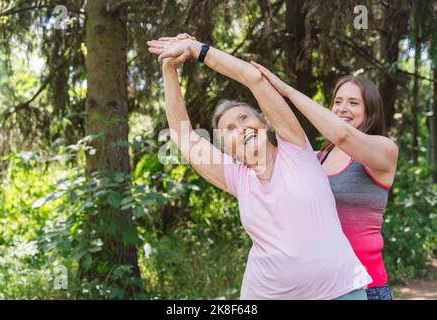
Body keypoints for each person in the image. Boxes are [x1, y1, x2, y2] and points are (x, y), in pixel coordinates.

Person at [147, 34, 372, 299]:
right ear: (226, 147)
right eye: (229, 129)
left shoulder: (295, 148)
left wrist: (198, 50)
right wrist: (168, 67)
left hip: (340, 290)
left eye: (244, 118)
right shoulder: (236, 177)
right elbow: (183, 136)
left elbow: (253, 79)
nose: (241, 128)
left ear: (264, 123)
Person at [251, 62, 398, 300]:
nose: (342, 108)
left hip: (365, 287)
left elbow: (342, 134)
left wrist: (287, 91)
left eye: (353, 102)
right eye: (338, 101)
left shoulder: (383, 150)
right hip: (318, 289)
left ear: (370, 109)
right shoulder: (317, 159)